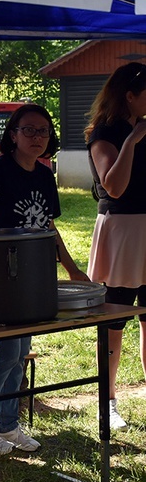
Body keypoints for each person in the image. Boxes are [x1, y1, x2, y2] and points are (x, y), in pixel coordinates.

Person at [0, 104, 90, 455]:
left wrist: (71, 267)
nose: (37, 137)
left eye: (43, 131)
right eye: (29, 130)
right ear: (13, 134)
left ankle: (6, 425)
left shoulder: (44, 175)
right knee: (5, 351)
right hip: (0, 276)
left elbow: (48, 226)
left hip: (34, 277)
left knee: (19, 354)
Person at [84, 61, 146, 430]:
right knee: (116, 320)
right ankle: (106, 402)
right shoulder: (104, 133)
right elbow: (114, 186)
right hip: (122, 231)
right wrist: (134, 141)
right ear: (130, 95)